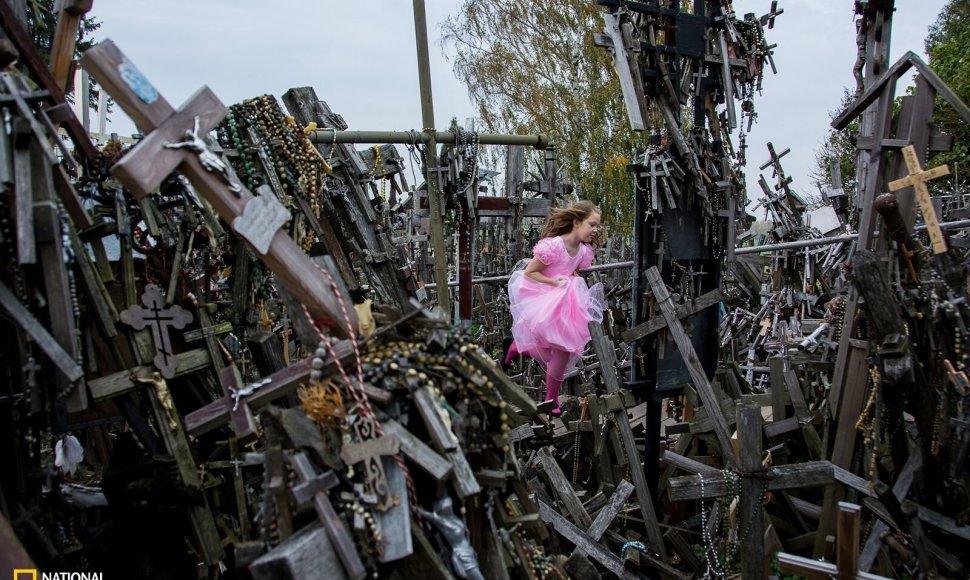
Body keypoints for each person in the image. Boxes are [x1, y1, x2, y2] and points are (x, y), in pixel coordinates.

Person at [504, 200, 606, 415]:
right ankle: (551, 400)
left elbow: (570, 268)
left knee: (562, 351)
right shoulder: (554, 246)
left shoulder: (583, 251)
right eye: (592, 224)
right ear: (577, 222)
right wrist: (555, 282)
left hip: (565, 301)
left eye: (598, 225)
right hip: (542, 296)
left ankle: (517, 347)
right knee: (559, 351)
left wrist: (573, 279)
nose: (596, 230)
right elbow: (530, 272)